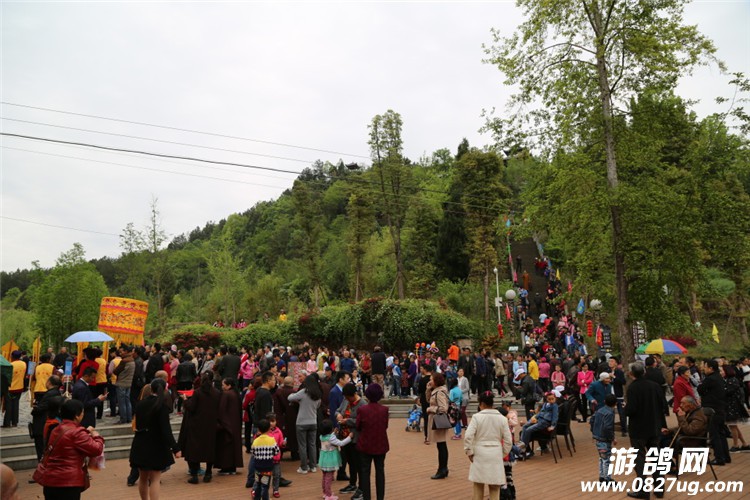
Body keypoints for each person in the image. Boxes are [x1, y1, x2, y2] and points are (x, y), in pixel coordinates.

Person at [34, 399, 105, 500]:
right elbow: (96, 449)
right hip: (68, 483)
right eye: (82, 412)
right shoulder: (76, 432)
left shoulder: (56, 429)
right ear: (76, 415)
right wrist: (97, 436)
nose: (83, 415)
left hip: (50, 481)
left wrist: (85, 432)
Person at [130, 378, 182, 500]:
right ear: (164, 389)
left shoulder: (140, 404)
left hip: (141, 443)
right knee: (155, 479)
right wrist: (175, 448)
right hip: (157, 445)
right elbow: (166, 430)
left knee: (143, 478)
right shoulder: (161, 407)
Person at [625, 361, 667, 499]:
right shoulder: (655, 386)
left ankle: (643, 489)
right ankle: (659, 488)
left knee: (640, 459)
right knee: (655, 457)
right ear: (644, 372)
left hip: (638, 429)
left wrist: (625, 408)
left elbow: (632, 410)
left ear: (631, 374)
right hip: (654, 427)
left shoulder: (633, 388)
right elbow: (663, 406)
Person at [463, 391, 513, 500]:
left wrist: (469, 451)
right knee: (495, 487)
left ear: (481, 404)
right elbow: (508, 440)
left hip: (479, 453)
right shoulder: (502, 419)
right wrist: (502, 453)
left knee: (478, 486)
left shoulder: (476, 417)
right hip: (495, 453)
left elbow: (468, 436)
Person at [180, 371, 220, 484]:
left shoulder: (197, 393)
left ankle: (194, 475)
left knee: (194, 449)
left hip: (196, 425)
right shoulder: (217, 392)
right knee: (209, 449)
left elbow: (191, 407)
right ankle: (208, 473)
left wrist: (185, 400)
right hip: (211, 425)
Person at [356, 383, 389, 500]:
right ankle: (380, 497)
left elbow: (358, 426)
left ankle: (367, 497)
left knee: (365, 473)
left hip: (365, 444)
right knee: (380, 471)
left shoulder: (362, 410)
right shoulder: (384, 410)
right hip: (380, 444)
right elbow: (385, 426)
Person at [698, 359, 730, 465]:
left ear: (711, 368)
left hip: (713, 410)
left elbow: (700, 389)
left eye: (705, 367)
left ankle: (719, 458)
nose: (703, 368)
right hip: (721, 409)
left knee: (714, 434)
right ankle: (726, 456)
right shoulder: (719, 377)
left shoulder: (710, 379)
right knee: (721, 433)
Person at [336, 383, 365, 498]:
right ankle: (352, 483)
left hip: (355, 438)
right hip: (344, 437)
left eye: (348, 397)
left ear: (353, 394)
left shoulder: (362, 404)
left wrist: (347, 421)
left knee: (358, 463)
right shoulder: (345, 400)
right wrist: (338, 415)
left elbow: (361, 421)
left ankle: (361, 487)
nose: (346, 399)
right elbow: (338, 410)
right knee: (350, 462)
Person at [289, 374, 322, 474]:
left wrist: (299, 401)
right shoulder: (318, 394)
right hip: (313, 421)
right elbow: (317, 406)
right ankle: (313, 466)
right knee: (312, 444)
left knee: (302, 445)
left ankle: (304, 467)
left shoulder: (303, 392)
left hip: (302, 422)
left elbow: (290, 398)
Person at [31, 375, 64, 461]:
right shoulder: (57, 393)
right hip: (49, 423)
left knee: (41, 450)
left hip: (42, 424)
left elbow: (41, 408)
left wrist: (35, 409)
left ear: (49, 382)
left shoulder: (49, 394)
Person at [318, 419, 352, 500]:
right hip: (330, 460)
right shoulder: (331, 437)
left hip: (323, 459)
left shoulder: (322, 436)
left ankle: (325, 493)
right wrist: (349, 437)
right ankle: (329, 495)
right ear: (330, 429)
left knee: (324, 476)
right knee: (329, 478)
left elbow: (329, 437)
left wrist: (334, 432)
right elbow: (341, 443)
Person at [215, 377, 243, 475]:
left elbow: (221, 410)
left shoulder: (225, 394)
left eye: (223, 385)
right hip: (235, 424)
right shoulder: (236, 394)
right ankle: (232, 467)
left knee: (226, 448)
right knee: (234, 447)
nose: (222, 387)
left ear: (229, 385)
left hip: (226, 425)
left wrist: (220, 423)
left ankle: (226, 468)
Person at [519, 391, 559, 458]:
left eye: (553, 399)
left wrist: (553, 426)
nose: (551, 400)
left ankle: (524, 447)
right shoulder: (545, 404)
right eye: (549, 399)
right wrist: (533, 418)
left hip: (545, 422)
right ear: (547, 399)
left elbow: (555, 416)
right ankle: (522, 444)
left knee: (529, 430)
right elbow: (540, 413)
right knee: (525, 426)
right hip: (539, 419)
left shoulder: (554, 406)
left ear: (555, 398)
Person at [426, 372, 450, 479]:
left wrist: (430, 409)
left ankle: (442, 469)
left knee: (441, 446)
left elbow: (443, 408)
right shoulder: (435, 391)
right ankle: (443, 468)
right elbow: (428, 400)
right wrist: (428, 389)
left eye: (431, 379)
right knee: (441, 446)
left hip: (438, 420)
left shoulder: (440, 392)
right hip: (436, 420)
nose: (430, 381)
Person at [590, 393, 618, 483]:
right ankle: (607, 478)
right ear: (615, 404)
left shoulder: (599, 410)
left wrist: (594, 431)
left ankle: (602, 476)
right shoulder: (610, 413)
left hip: (598, 437)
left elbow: (592, 420)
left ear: (604, 401)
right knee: (607, 459)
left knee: (602, 458)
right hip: (605, 439)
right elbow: (608, 427)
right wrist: (613, 437)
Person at [721, 365, 749, 452]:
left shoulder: (732, 380)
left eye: (722, 371)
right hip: (731, 406)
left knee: (732, 426)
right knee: (734, 426)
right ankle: (744, 444)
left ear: (727, 371)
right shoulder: (729, 380)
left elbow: (727, 392)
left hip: (732, 406)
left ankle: (736, 445)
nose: (720, 372)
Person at [252, 418, 281, 500]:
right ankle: (265, 498)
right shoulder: (271, 440)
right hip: (267, 467)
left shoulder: (256, 441)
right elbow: (277, 451)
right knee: (265, 485)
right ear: (269, 429)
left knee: (258, 483)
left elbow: (253, 452)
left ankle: (256, 498)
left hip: (257, 467)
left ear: (259, 429)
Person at [2, 351, 26, 428]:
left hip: (11, 388)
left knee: (8, 405)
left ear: (12, 356)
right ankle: (15, 422)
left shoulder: (10, 365)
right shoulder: (23, 364)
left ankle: (7, 423)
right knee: (16, 404)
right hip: (20, 387)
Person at [113, 345, 136, 424]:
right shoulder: (133, 360)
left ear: (126, 351)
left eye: (122, 351)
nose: (120, 353)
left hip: (121, 383)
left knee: (121, 402)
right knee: (127, 401)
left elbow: (115, 371)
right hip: (129, 383)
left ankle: (123, 418)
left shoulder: (124, 361)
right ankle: (129, 418)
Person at [266, 413, 285, 498]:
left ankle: (276, 490)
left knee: (276, 475)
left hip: (276, 457)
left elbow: (280, 443)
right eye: (269, 421)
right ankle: (264, 490)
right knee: (267, 475)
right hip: (267, 458)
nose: (271, 423)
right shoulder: (265, 432)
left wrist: (283, 443)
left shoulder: (279, 431)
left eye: (273, 421)